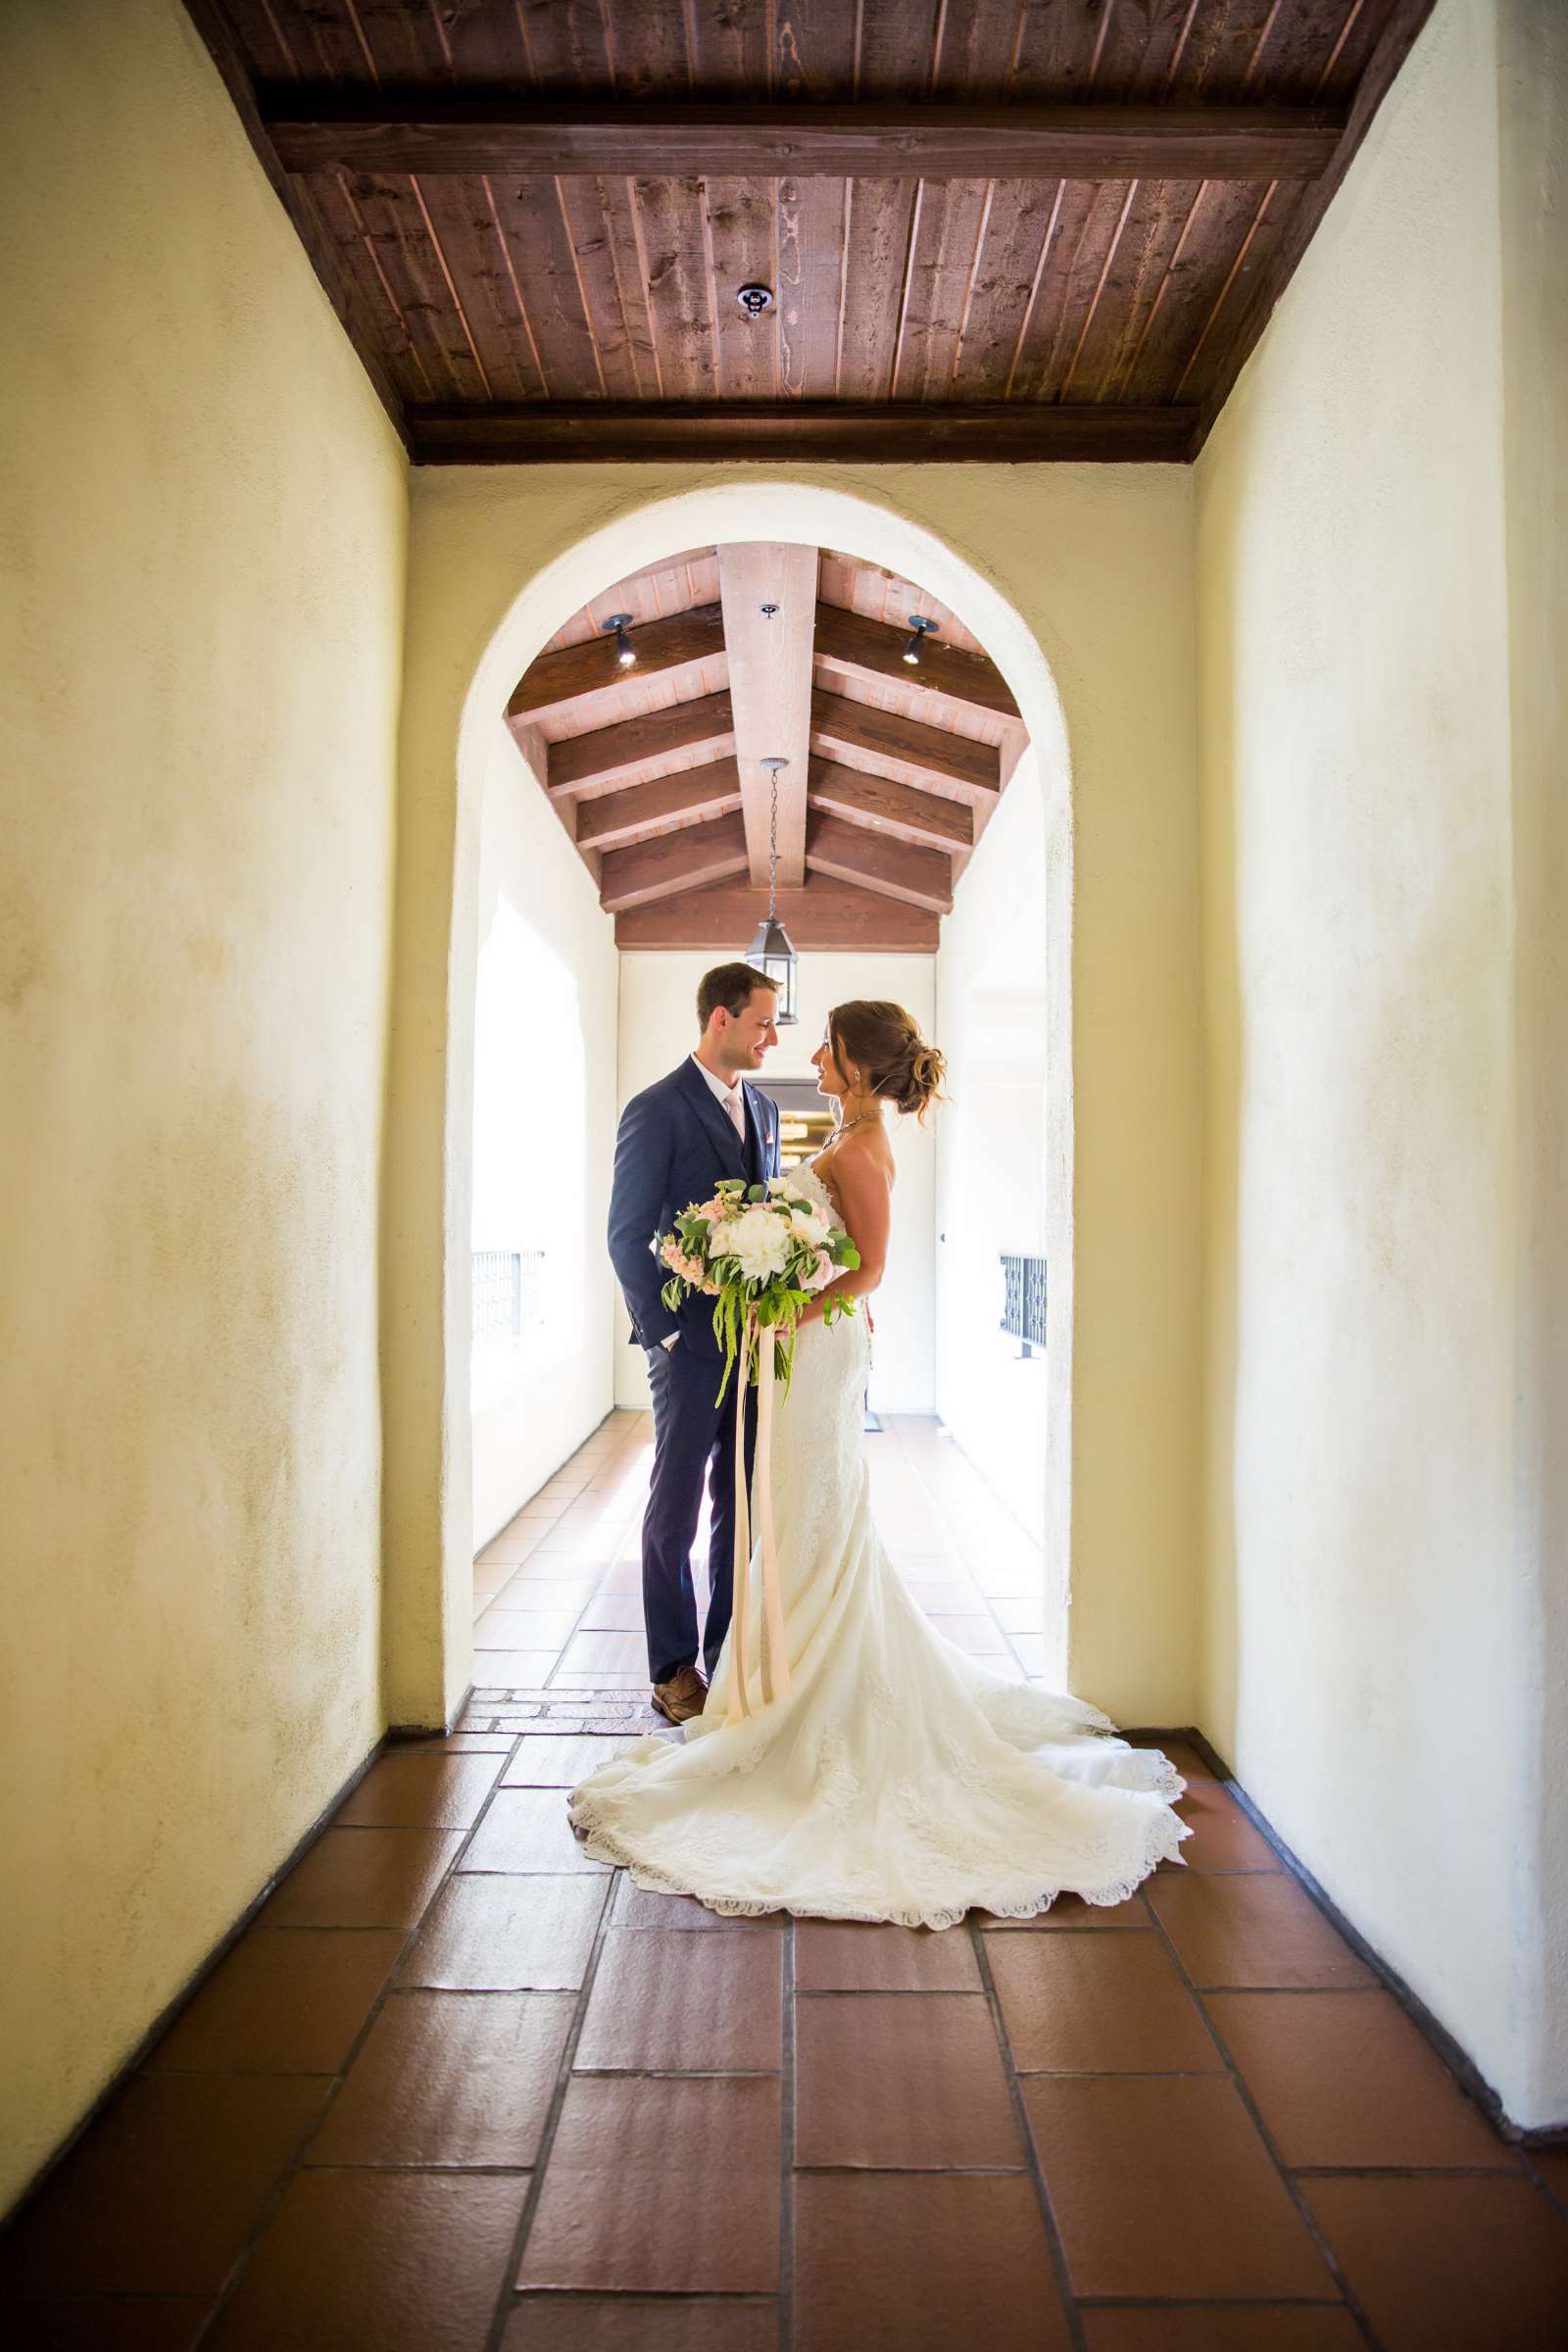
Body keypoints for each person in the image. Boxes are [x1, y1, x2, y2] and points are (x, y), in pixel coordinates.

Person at [573, 1001, 1190, 1926]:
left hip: (814, 1358)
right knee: (787, 1516)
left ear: (856, 1063)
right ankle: (772, 1680)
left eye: (824, 1041)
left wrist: (788, 1305)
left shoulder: (860, 1150)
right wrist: (745, 1279)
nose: (812, 1052)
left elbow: (867, 1271)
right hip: (797, 1351)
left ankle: (808, 1696)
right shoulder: (847, 1133)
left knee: (807, 1516)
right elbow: (824, 1259)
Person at [607, 962, 782, 1725]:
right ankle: (672, 1667)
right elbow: (625, 1236)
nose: (772, 1036)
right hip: (687, 1347)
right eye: (762, 1022)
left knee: (737, 1507)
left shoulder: (767, 1110)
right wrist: (669, 1333)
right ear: (720, 1019)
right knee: (673, 1509)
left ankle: (725, 1656)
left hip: (752, 1345)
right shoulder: (657, 1109)